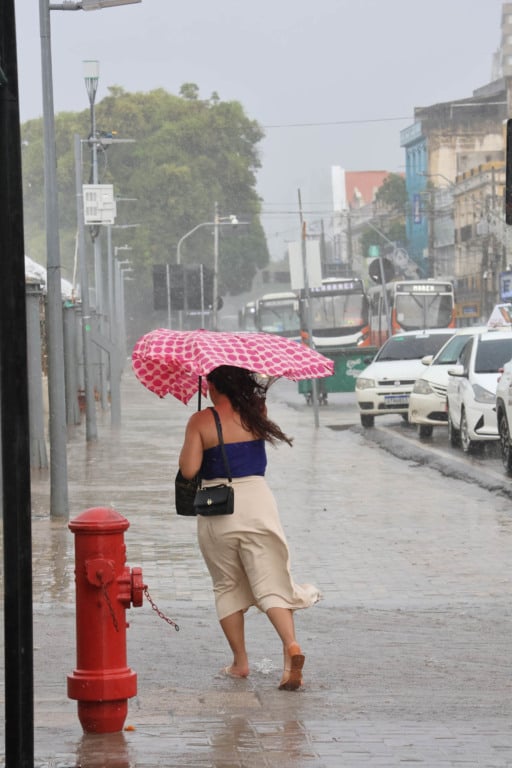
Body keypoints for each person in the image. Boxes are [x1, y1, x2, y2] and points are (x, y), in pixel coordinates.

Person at [179, 365, 320, 691]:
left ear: (212, 385)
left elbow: (189, 471)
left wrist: (196, 435)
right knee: (271, 581)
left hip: (219, 509)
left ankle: (240, 663)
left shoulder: (201, 421)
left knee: (227, 586)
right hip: (259, 503)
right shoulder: (257, 412)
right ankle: (291, 648)